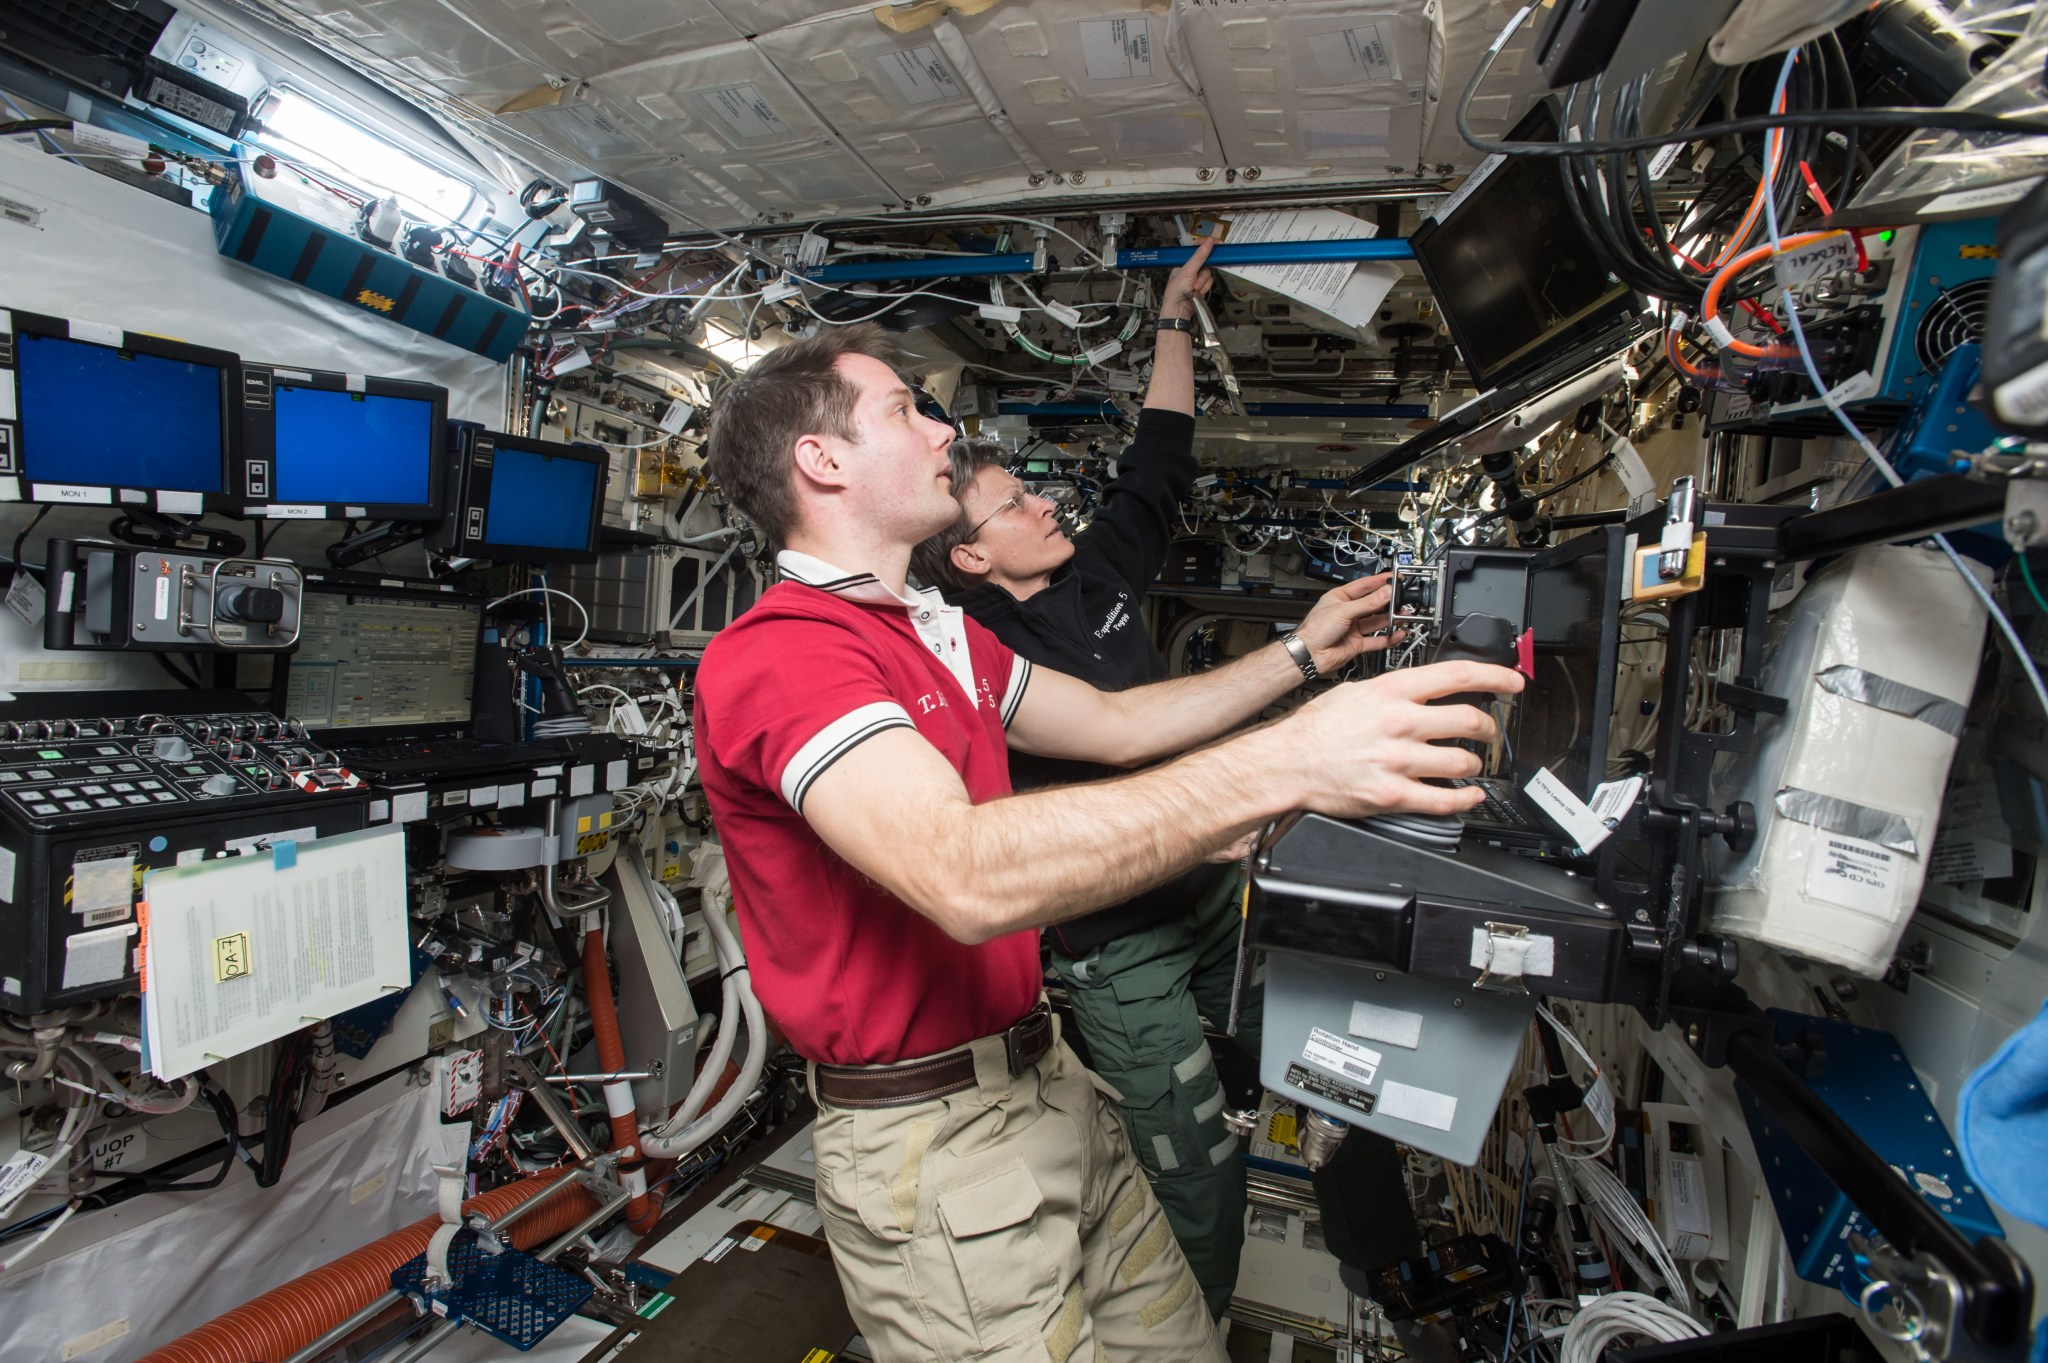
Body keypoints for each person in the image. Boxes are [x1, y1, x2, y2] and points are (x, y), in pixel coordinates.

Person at [693, 320, 1520, 1363]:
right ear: (822, 460)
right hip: (929, 1143)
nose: (942, 428)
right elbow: (960, 872)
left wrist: (1301, 656)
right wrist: (1288, 762)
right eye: (904, 409)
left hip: (1041, 1080)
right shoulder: (785, 653)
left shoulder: (941, 635)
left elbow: (1119, 726)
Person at [908, 238, 1323, 1319]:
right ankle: (1197, 1329)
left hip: (1206, 896)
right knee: (1193, 1165)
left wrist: (1171, 319)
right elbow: (1094, 749)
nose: (1046, 504)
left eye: (1033, 491)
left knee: (1317, 1035)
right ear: (970, 558)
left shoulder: (1093, 574)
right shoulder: (970, 643)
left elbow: (1158, 455)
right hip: (1112, 942)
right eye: (1013, 507)